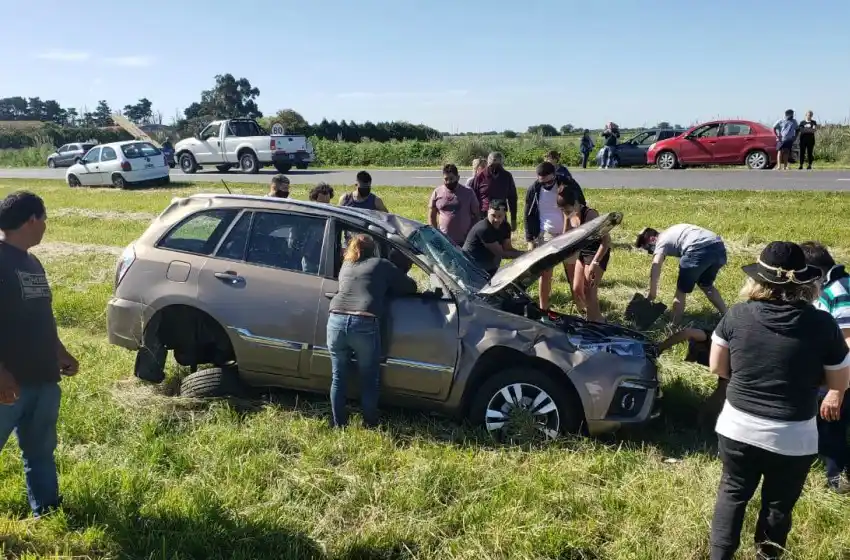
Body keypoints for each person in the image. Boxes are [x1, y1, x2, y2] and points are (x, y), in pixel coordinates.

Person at [708, 241, 850, 560]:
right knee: (778, 505)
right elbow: (839, 382)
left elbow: (718, 366)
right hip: (793, 434)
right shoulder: (822, 324)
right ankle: (767, 556)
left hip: (738, 427)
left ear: (757, 280)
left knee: (732, 493)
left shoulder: (737, 315)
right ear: (805, 283)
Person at [0, 191, 79, 518]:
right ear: (32, 219)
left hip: (44, 376)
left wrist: (60, 352)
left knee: (41, 451)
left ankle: (46, 510)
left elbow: (41, 315)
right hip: (9, 382)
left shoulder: (32, 261)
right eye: (44, 219)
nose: (46, 226)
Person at [327, 234, 417, 428]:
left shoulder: (346, 266)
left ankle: (338, 424)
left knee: (338, 377)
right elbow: (409, 287)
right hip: (363, 321)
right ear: (374, 249)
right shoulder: (381, 264)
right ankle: (369, 423)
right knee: (368, 378)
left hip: (335, 319)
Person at [800, 241, 850, 491]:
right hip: (832, 372)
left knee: (832, 424)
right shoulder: (834, 285)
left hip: (839, 375)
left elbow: (848, 341)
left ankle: (838, 478)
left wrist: (836, 389)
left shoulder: (838, 291)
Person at [636, 224, 728, 325]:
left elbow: (656, 264)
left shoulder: (661, 241)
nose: (652, 252)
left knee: (680, 292)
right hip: (718, 247)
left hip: (697, 249)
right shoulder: (672, 231)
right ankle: (727, 316)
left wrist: (651, 295)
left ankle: (674, 327)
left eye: (650, 249)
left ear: (652, 239)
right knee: (706, 285)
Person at [557, 189, 611, 322]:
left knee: (590, 291)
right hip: (583, 252)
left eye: (568, 211)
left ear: (576, 203)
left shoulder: (591, 215)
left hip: (598, 252)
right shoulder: (567, 213)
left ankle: (598, 321)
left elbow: (606, 241)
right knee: (576, 289)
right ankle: (589, 315)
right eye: (563, 211)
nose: (567, 214)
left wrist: (595, 262)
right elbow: (566, 234)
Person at [524, 162, 567, 311]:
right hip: (546, 232)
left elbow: (579, 203)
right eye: (543, 182)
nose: (547, 185)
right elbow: (528, 215)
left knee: (572, 269)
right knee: (546, 271)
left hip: (568, 231)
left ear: (555, 175)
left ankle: (580, 302)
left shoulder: (566, 183)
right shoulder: (534, 189)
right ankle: (544, 307)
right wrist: (530, 239)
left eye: (549, 181)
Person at [462, 199, 525, 277]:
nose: (496, 219)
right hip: (471, 268)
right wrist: (525, 254)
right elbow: (502, 254)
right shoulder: (484, 229)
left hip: (490, 267)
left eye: (500, 216)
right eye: (493, 215)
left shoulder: (506, 227)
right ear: (488, 212)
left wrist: (527, 254)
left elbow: (508, 249)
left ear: (505, 214)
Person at [428, 163, 479, 245]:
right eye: (446, 179)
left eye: (451, 179)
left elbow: (476, 215)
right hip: (444, 240)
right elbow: (432, 216)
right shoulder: (437, 192)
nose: (448, 182)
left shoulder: (468, 192)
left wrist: (472, 235)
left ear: (458, 177)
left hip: (465, 241)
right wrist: (434, 234)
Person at [470, 152, 518, 231]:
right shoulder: (480, 176)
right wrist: (474, 218)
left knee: (502, 240)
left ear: (502, 164)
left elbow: (512, 198)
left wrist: (513, 220)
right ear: (488, 163)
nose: (495, 167)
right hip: (484, 216)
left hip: (501, 216)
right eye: (493, 164)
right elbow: (473, 197)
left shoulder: (507, 176)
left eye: (498, 165)